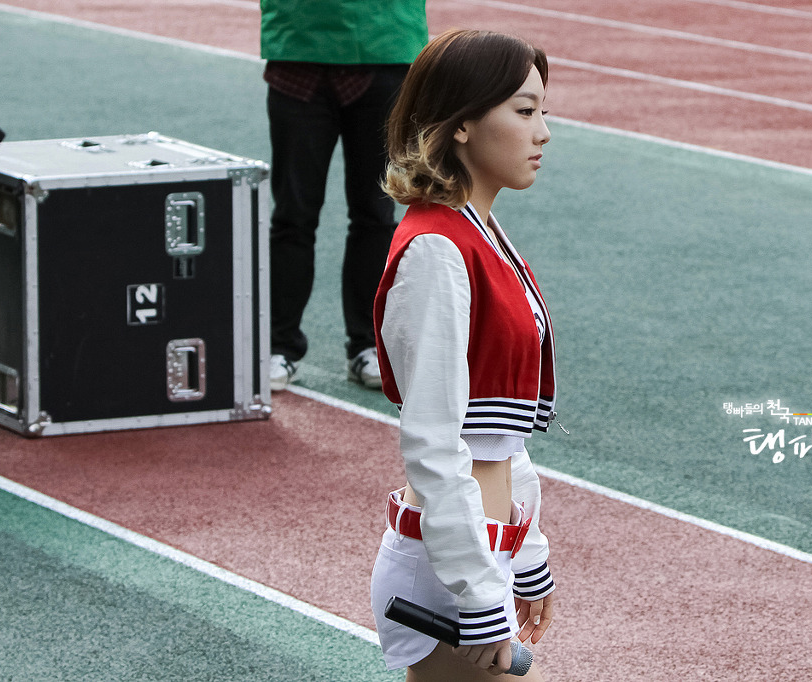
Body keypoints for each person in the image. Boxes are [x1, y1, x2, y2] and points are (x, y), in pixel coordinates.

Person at [369, 29, 558, 681]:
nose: (543, 132)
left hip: (477, 552)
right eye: (524, 111)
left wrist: (526, 551)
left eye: (542, 111)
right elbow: (434, 441)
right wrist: (478, 592)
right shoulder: (437, 249)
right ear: (462, 125)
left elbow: (497, 434)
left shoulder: (480, 233)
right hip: (450, 568)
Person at [260, 0, 428, 390]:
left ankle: (368, 345)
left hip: (383, 43)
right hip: (300, 44)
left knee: (376, 212)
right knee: (292, 215)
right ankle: (278, 346)